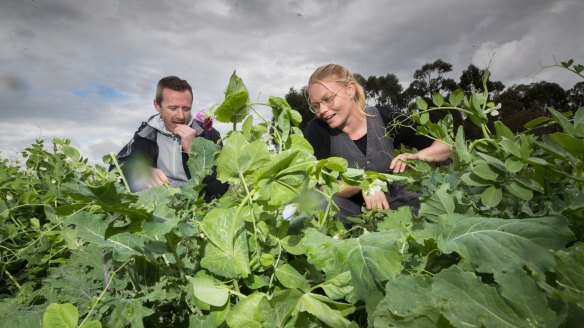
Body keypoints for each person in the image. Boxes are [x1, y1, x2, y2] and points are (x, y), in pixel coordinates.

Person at [304, 64, 451, 224]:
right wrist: (364, 183)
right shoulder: (317, 130)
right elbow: (322, 189)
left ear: (350, 89)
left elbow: (445, 147)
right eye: (316, 106)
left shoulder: (385, 116)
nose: (322, 110)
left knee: (431, 210)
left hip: (394, 203)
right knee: (324, 205)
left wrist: (416, 156)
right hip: (349, 211)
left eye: (328, 99)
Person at [113, 76, 227, 200]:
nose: (180, 116)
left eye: (186, 108)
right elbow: (116, 168)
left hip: (197, 206)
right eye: (173, 108)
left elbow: (220, 188)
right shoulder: (147, 133)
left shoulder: (208, 134)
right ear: (157, 105)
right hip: (160, 205)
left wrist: (194, 152)